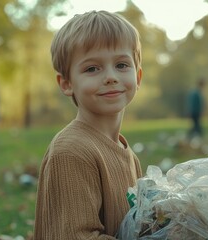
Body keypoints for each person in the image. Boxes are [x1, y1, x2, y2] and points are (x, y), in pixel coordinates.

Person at [33, 10, 143, 239]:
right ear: (66, 83)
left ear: (138, 77)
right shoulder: (72, 152)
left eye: (122, 65)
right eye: (92, 68)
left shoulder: (129, 156)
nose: (111, 76)